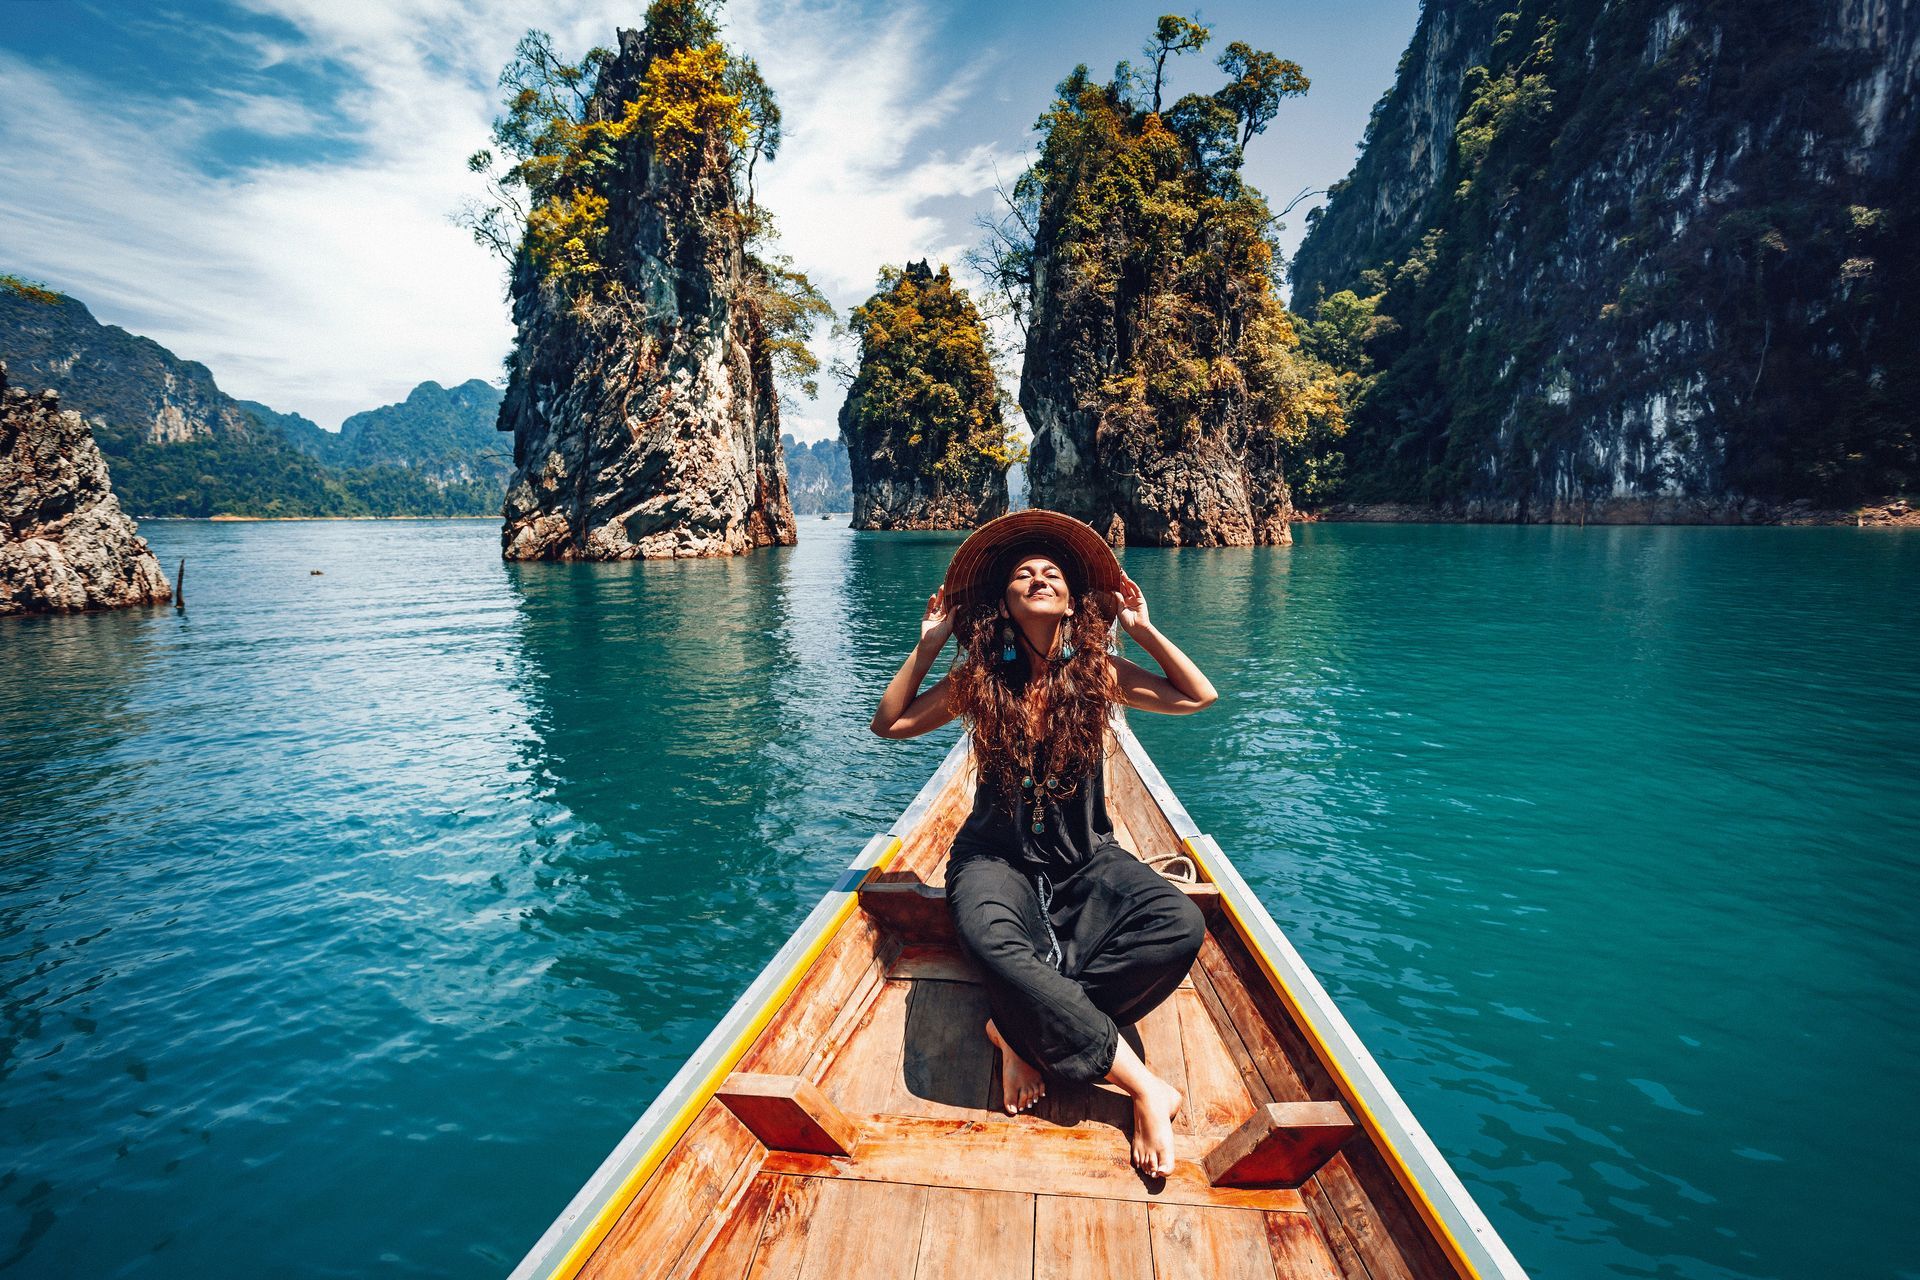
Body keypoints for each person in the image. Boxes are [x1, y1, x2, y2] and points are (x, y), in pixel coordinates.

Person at [868, 509, 1219, 1179]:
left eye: (1052, 572)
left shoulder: (1100, 674)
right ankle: (1144, 1085)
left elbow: (1197, 695)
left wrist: (1143, 630)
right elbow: (891, 724)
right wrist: (928, 644)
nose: (1038, 576)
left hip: (1086, 859)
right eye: (1023, 573)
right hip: (994, 860)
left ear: (1069, 600)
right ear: (1003, 600)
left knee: (1177, 924)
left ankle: (1014, 1026)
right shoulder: (980, 679)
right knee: (991, 938)